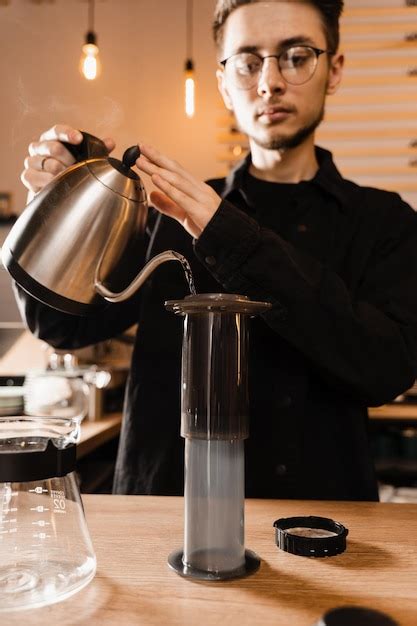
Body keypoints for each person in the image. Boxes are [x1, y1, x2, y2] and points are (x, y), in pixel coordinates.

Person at [17, 0, 417, 501]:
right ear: (225, 83)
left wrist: (225, 233)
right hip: (162, 518)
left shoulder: (384, 221)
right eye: (248, 62)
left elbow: (387, 368)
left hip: (321, 528)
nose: (269, 82)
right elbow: (62, 325)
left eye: (296, 56)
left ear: (333, 69)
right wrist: (53, 217)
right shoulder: (166, 211)